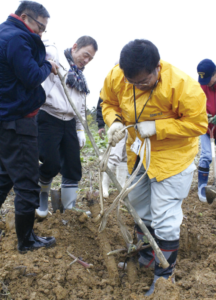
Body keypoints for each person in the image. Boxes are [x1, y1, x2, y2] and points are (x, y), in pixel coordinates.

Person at [100, 39, 207, 295]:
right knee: (138, 207)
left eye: (143, 82)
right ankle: (147, 257)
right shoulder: (117, 75)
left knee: (164, 218)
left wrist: (159, 128)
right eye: (132, 83)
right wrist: (114, 122)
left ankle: (164, 276)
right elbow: (108, 102)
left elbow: (197, 125)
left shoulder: (184, 87)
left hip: (172, 158)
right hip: (137, 156)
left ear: (157, 68)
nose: (137, 87)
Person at [0, 1, 59, 252]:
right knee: (28, 182)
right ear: (25, 17)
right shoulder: (18, 39)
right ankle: (26, 241)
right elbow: (32, 77)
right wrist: (47, 65)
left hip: (1, 118)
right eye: (40, 28)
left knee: (6, 174)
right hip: (17, 120)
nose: (41, 34)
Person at [36, 36, 98, 219]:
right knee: (50, 163)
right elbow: (43, 49)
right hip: (49, 117)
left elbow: (79, 106)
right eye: (85, 55)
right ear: (75, 47)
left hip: (69, 122)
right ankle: (42, 197)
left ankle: (69, 207)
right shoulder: (56, 61)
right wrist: (47, 56)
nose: (86, 60)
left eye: (90, 59)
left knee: (73, 166)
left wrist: (80, 129)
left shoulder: (80, 77)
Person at [96, 96, 128, 198]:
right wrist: (101, 124)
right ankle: (104, 186)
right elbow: (103, 102)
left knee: (125, 157)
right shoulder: (114, 82)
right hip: (118, 122)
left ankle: (121, 187)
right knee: (114, 156)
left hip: (132, 123)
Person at [197, 59, 216, 202]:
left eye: (209, 78)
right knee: (206, 155)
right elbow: (196, 104)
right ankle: (202, 185)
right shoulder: (201, 86)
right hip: (205, 127)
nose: (206, 82)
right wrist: (203, 114)